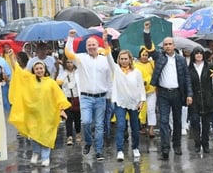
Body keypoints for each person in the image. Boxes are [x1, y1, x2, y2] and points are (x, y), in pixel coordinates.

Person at [8, 49, 70, 167]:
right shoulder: (29, 79)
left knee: (47, 134)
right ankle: (36, 153)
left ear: (45, 69)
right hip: (33, 113)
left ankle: (46, 157)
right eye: (36, 69)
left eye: (41, 68)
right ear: (34, 70)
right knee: (34, 134)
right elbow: (18, 71)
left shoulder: (51, 82)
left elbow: (59, 97)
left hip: (48, 114)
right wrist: (12, 57)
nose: (39, 70)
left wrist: (62, 110)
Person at [142, 20, 193, 160]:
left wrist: (189, 94)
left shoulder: (181, 60)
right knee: (163, 121)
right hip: (163, 93)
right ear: (163, 47)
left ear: (174, 46)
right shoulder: (159, 57)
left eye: (170, 44)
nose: (168, 46)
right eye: (165, 44)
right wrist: (147, 31)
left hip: (177, 93)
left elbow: (187, 78)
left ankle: (176, 145)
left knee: (177, 121)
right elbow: (148, 46)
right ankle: (165, 148)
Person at [65, 29, 113, 161]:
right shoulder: (81, 58)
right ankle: (88, 142)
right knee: (85, 122)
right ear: (86, 47)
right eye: (89, 45)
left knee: (99, 125)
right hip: (86, 97)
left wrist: (110, 95)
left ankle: (98, 151)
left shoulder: (104, 60)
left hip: (101, 97)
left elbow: (111, 74)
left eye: (94, 44)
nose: (91, 47)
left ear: (98, 46)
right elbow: (69, 54)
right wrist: (70, 38)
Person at [109, 50, 146, 161]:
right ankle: (120, 150)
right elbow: (108, 58)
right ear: (119, 60)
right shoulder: (116, 70)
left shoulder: (137, 72)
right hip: (120, 102)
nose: (124, 61)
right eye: (122, 59)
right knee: (121, 126)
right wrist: (106, 44)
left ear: (130, 60)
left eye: (126, 59)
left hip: (134, 102)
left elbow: (141, 87)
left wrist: (142, 101)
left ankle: (135, 147)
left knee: (135, 127)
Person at [188, 47, 213, 153]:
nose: (199, 55)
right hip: (194, 98)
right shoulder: (189, 68)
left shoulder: (209, 66)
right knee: (195, 121)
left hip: (207, 98)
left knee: (206, 123)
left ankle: (205, 143)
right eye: (196, 53)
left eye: (200, 53)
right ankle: (197, 142)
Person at [56, 56, 82, 146]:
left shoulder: (78, 73)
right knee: (68, 118)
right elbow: (58, 82)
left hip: (77, 97)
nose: (69, 64)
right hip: (67, 98)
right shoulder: (63, 73)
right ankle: (69, 136)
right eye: (67, 62)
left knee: (77, 117)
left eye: (71, 62)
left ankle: (78, 133)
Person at [134, 48, 157, 138]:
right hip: (139, 91)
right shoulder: (135, 65)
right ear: (140, 55)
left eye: (146, 55)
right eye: (143, 55)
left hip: (151, 90)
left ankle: (151, 128)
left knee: (151, 109)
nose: (144, 57)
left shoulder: (152, 64)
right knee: (140, 109)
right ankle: (142, 126)